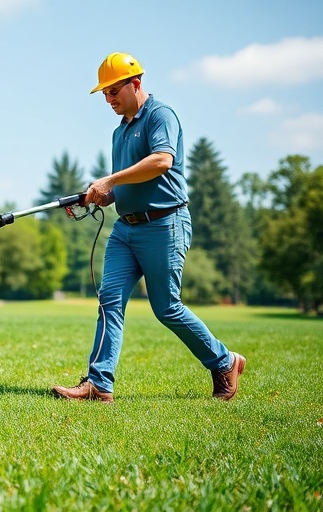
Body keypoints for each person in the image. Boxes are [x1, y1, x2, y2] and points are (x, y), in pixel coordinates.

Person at [51, 52, 245, 404]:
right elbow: (124, 186)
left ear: (135, 84)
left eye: (114, 92)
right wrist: (98, 196)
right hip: (126, 230)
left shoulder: (161, 116)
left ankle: (225, 361)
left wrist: (109, 179)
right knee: (109, 301)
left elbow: (160, 161)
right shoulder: (119, 132)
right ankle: (99, 384)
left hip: (164, 225)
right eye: (105, 95)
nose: (109, 100)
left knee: (167, 307)